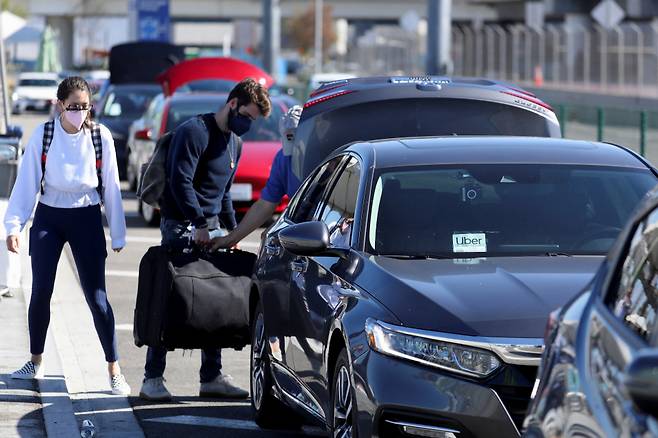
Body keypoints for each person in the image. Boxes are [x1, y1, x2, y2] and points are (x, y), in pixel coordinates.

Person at [139, 78, 272, 401]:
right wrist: (198, 223)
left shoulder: (234, 144)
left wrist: (231, 232)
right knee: (171, 296)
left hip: (210, 228)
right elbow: (180, 182)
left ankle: (211, 375)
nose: (248, 125)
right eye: (248, 117)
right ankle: (152, 378)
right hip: (182, 226)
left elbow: (224, 192)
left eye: (254, 121)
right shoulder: (194, 132)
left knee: (214, 300)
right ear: (233, 105)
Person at [4, 76, 130, 395]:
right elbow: (26, 181)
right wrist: (14, 226)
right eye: (73, 107)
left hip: (86, 214)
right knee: (41, 290)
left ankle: (114, 368)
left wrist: (117, 233)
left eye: (85, 107)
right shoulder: (45, 135)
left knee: (96, 296)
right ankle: (36, 360)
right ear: (60, 105)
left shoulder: (100, 136)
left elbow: (112, 185)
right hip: (49, 214)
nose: (79, 113)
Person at [210, 105, 302, 251]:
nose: (294, 150)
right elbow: (265, 205)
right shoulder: (284, 159)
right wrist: (230, 239)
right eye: (288, 137)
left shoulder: (328, 159)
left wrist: (279, 227)